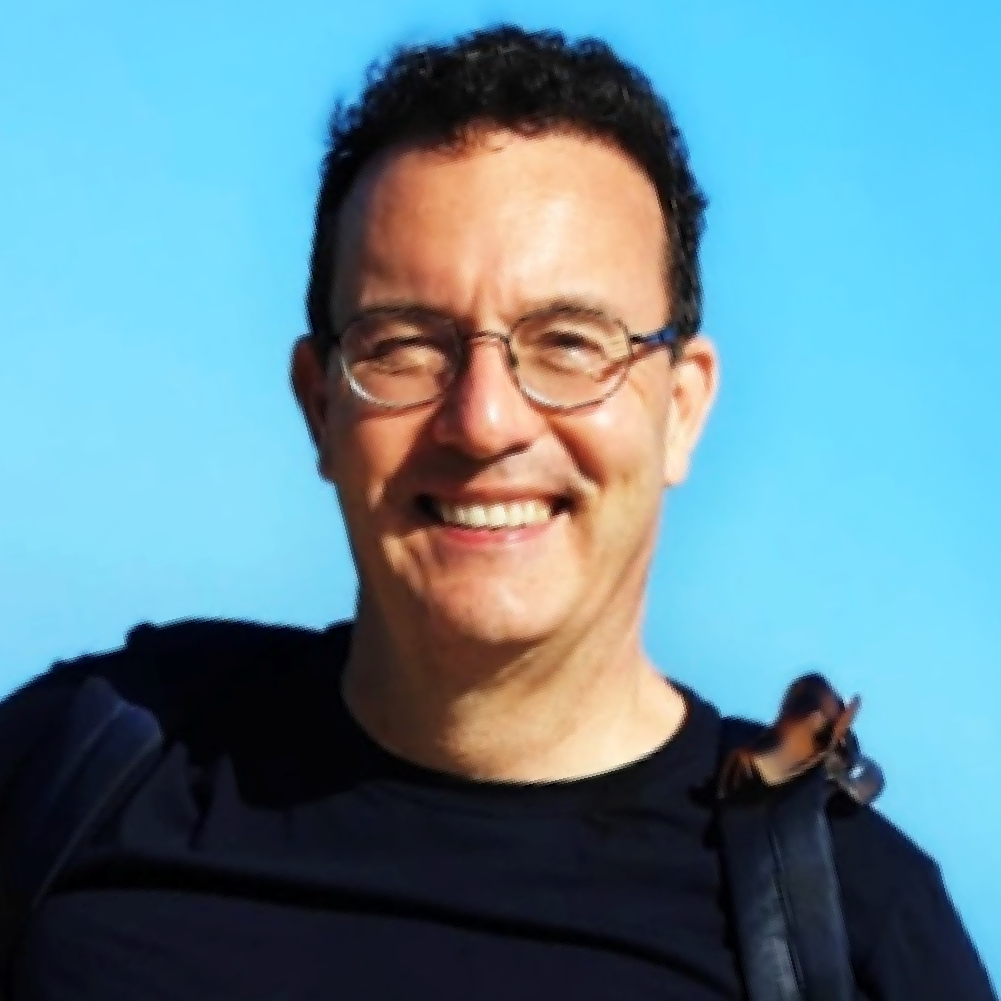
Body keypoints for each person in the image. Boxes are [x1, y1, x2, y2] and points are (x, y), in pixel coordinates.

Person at [1, 24, 995, 1001]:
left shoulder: (851, 921)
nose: (482, 421)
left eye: (569, 342)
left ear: (681, 408)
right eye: (404, 345)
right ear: (318, 403)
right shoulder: (78, 770)